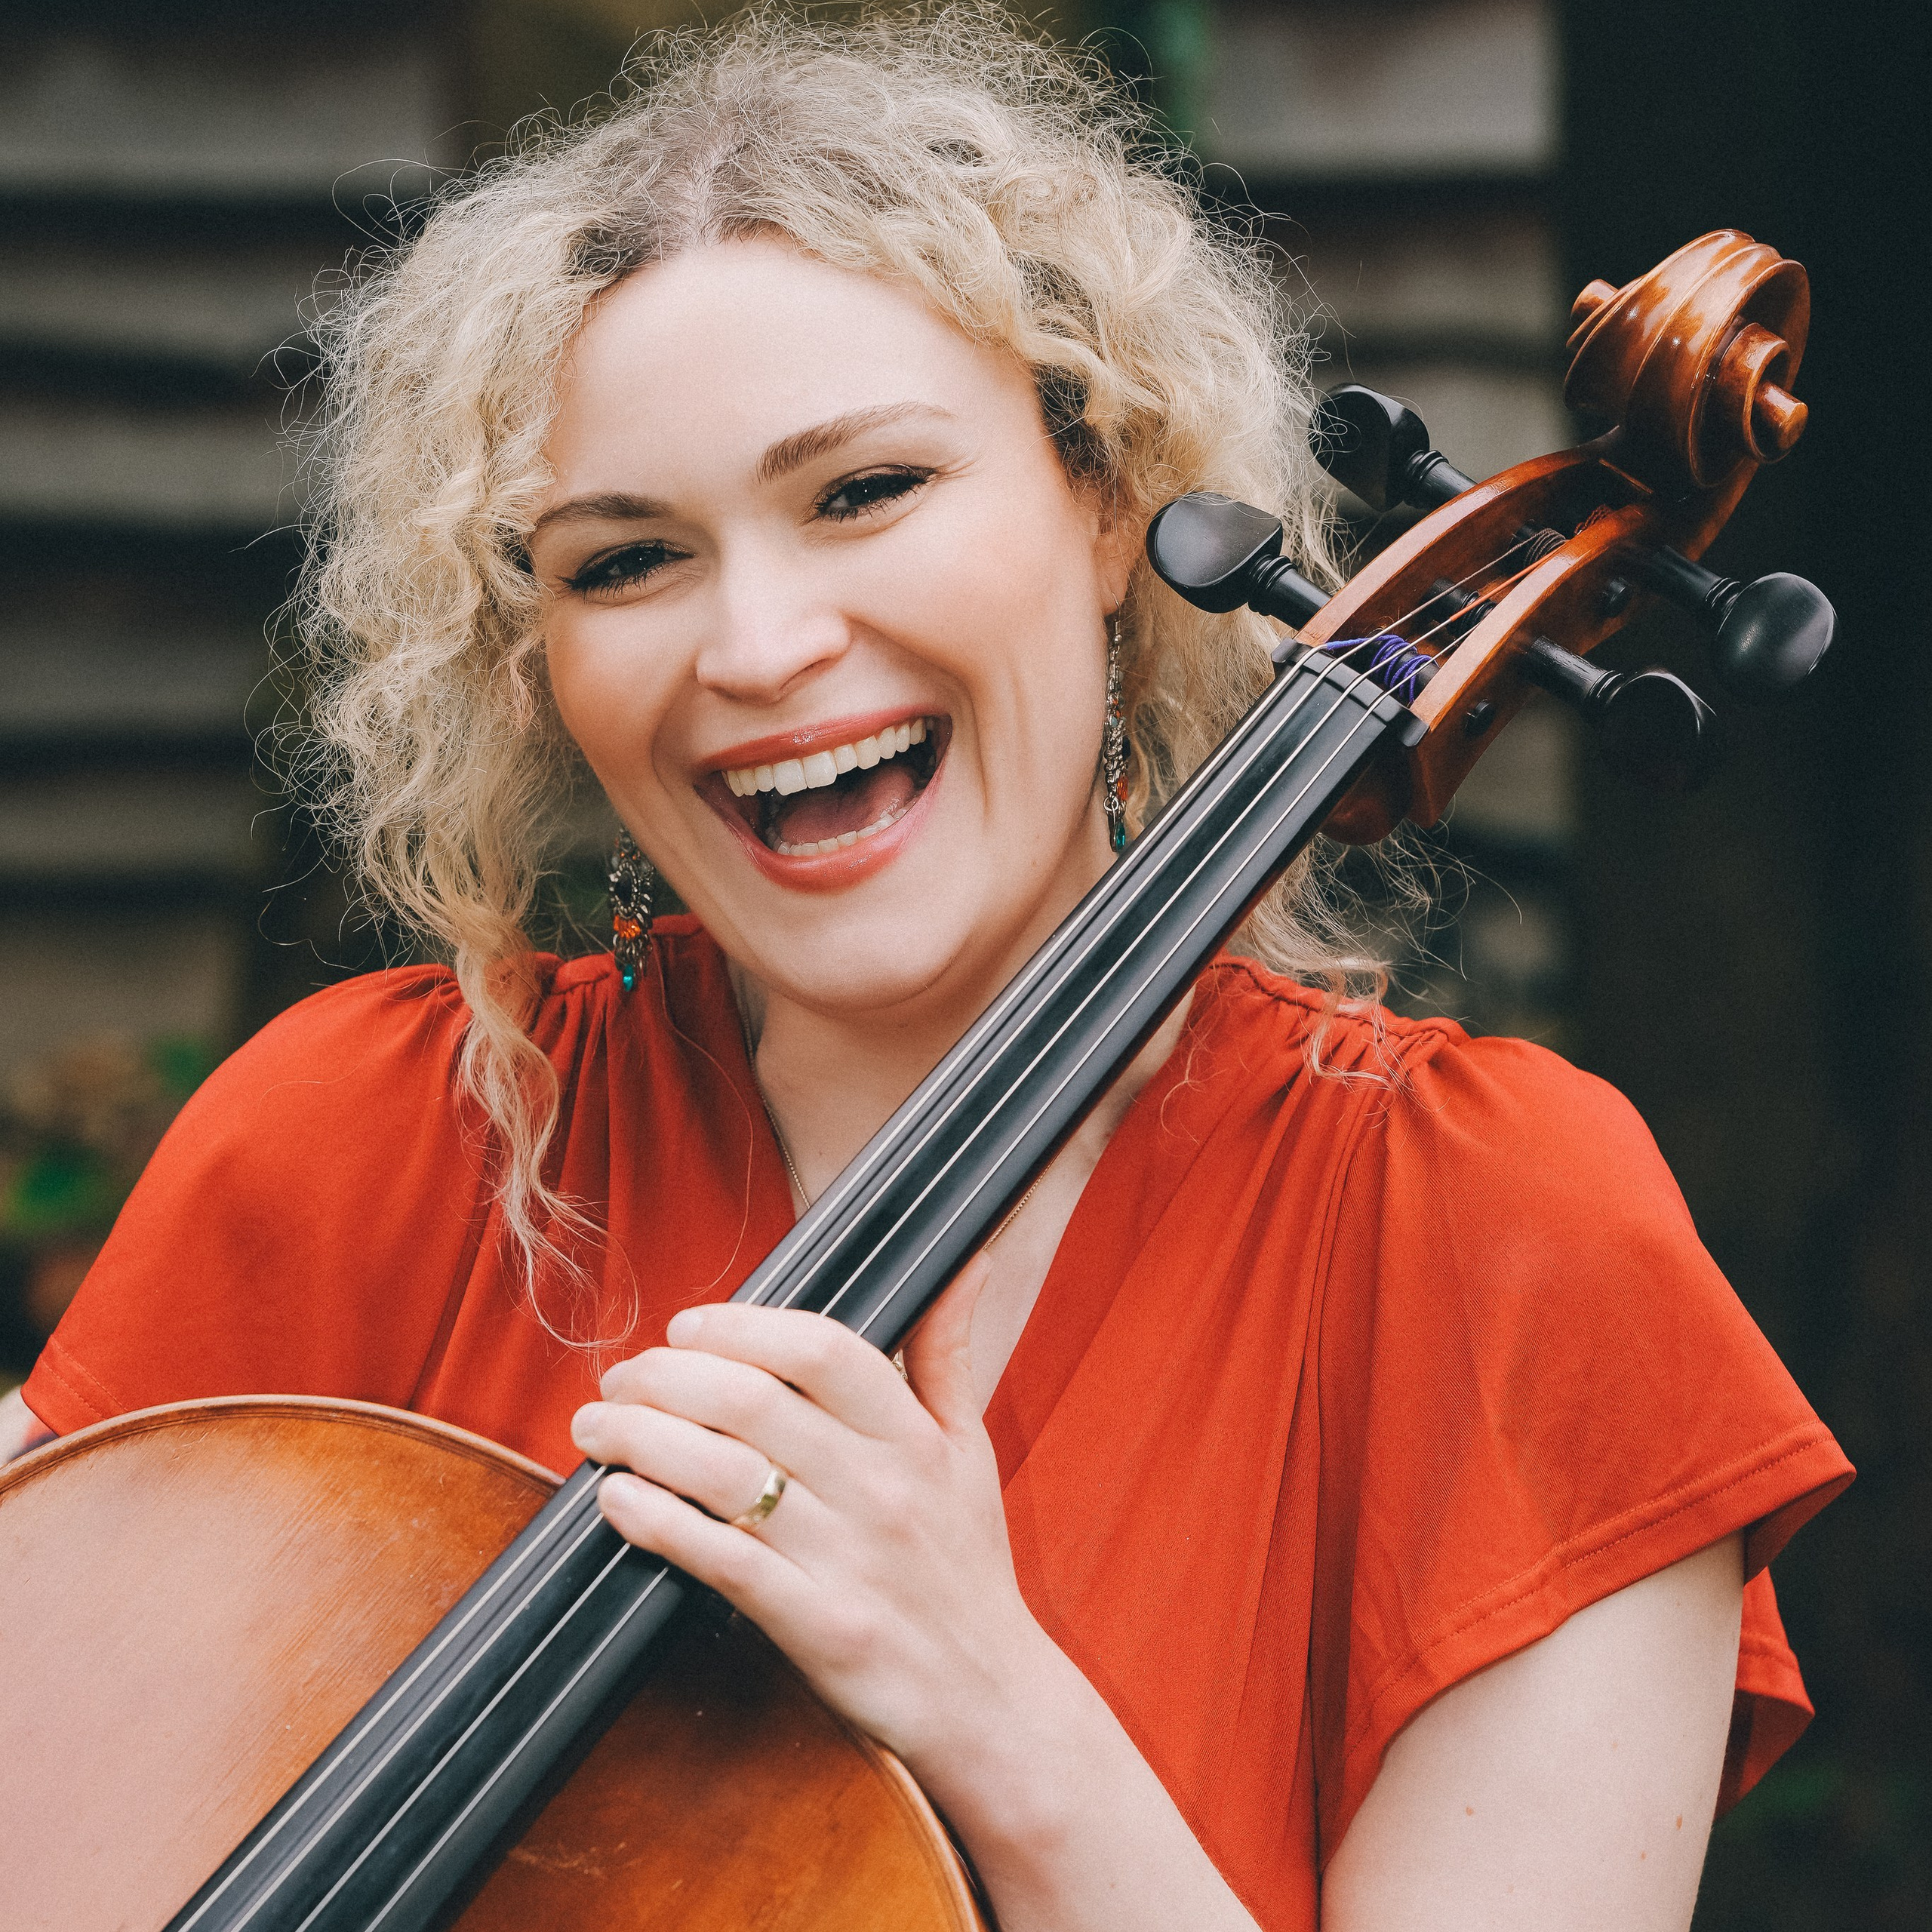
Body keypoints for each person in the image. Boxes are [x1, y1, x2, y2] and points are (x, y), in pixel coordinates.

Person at [0, 9, 1850, 1928]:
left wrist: (993, 1707)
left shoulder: (1496, 1236)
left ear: (1111, 505)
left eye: (864, 489)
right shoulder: (371, 1146)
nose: (757, 647)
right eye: (622, 561)